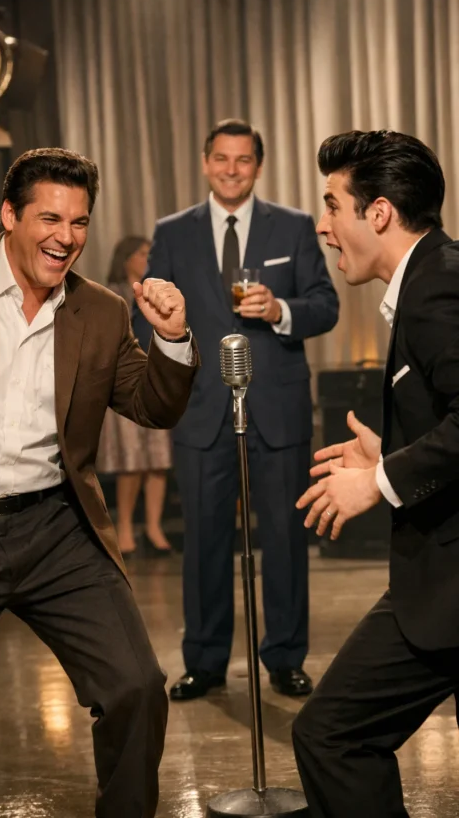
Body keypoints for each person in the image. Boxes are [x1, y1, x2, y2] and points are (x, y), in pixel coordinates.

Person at [0, 147, 198, 818]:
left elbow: (152, 405)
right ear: (9, 215)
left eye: (79, 221)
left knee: (136, 688)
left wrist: (173, 338)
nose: (66, 236)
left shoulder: (102, 311)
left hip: (56, 529)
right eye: (50, 218)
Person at [133, 119, 339, 700]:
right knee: (203, 541)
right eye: (221, 158)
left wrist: (280, 310)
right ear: (205, 162)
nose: (231, 169)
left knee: (286, 537)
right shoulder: (173, 232)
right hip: (201, 410)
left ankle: (286, 658)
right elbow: (147, 312)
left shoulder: (294, 226)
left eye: (243, 159)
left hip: (277, 406)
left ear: (258, 166)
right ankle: (204, 661)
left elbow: (325, 306)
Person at [292, 130, 459, 818]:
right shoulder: (433, 276)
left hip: (447, 586)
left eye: (333, 205)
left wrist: (379, 481)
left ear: (380, 213)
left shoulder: (435, 289)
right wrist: (388, 455)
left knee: (332, 735)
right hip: (441, 579)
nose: (323, 224)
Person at [97, 235, 173, 555]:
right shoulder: (110, 294)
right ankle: (125, 528)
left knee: (157, 460)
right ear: (126, 257)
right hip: (125, 385)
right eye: (142, 253)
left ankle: (154, 527)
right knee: (131, 462)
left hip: (155, 381)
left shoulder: (158, 292)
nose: (146, 259)